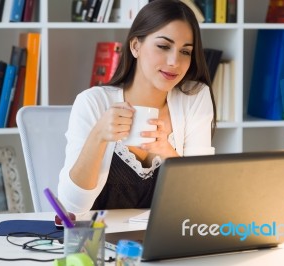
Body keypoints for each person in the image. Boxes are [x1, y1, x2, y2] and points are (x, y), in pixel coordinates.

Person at [58, 0, 216, 215]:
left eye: (185, 52)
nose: (174, 62)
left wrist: (168, 153)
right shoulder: (93, 102)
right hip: (98, 241)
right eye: (163, 46)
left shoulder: (195, 97)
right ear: (135, 46)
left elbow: (203, 198)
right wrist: (99, 136)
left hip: (166, 240)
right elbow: (71, 207)